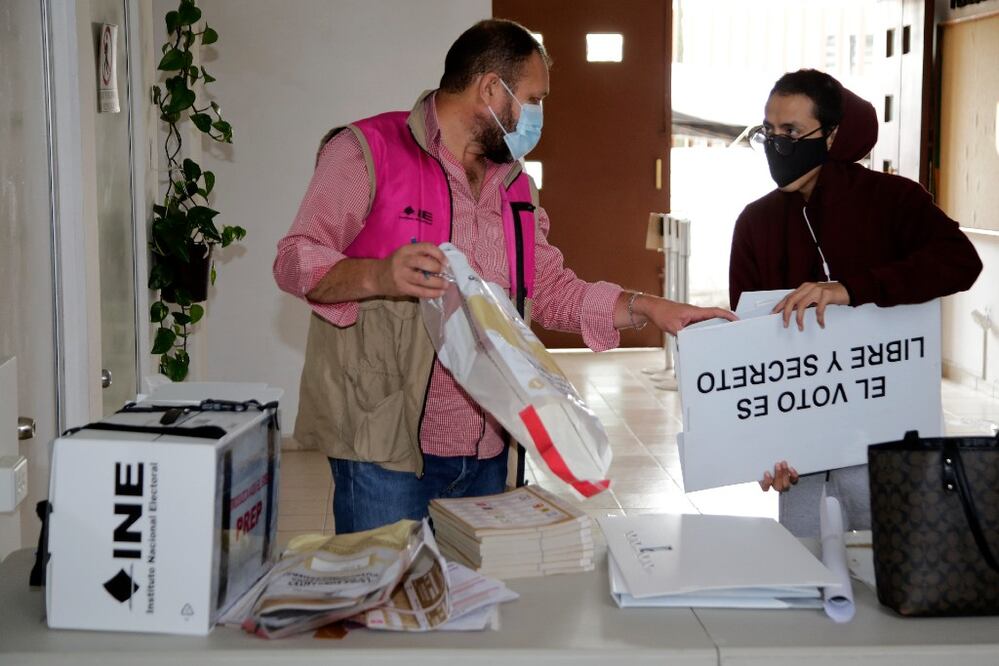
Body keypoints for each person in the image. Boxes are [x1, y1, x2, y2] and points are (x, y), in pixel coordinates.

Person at [274, 19, 734, 534]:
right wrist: (378, 275)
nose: (540, 116)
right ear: (491, 88)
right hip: (385, 446)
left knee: (480, 604)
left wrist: (648, 307)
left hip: (491, 446)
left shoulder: (515, 185)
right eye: (535, 99)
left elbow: (551, 290)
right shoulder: (367, 152)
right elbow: (295, 260)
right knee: (391, 605)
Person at [729, 69, 982, 536]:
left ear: (832, 135)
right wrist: (764, 447)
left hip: (885, 438)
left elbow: (960, 261)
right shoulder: (755, 223)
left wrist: (851, 289)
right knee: (811, 571)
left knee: (895, 568)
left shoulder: (892, 200)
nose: (776, 144)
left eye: (791, 132)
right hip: (802, 449)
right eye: (769, 130)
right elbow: (751, 344)